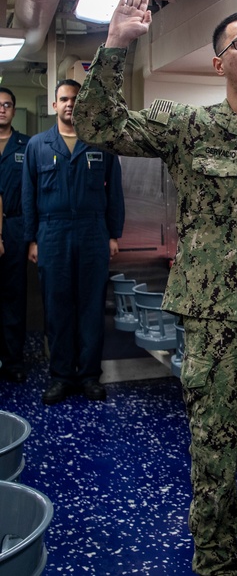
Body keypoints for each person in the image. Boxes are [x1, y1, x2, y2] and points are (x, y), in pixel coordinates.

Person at [73, 3, 237, 576]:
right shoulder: (190, 127)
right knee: (213, 453)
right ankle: (215, 561)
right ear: (219, 63)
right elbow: (99, 125)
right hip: (215, 322)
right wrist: (117, 42)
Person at [22, 79, 124, 404]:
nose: (69, 104)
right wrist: (31, 239)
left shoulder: (100, 144)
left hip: (93, 232)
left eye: (75, 99)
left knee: (92, 306)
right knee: (57, 307)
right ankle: (61, 377)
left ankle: (90, 376)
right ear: (54, 105)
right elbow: (28, 197)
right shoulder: (38, 146)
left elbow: (114, 194)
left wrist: (113, 234)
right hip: (51, 234)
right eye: (64, 99)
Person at [0, 87, 32, 383]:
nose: (2, 109)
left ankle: (12, 361)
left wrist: (32, 236)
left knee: (14, 295)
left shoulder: (26, 145)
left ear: (13, 109)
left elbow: (33, 193)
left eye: (7, 105)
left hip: (15, 227)